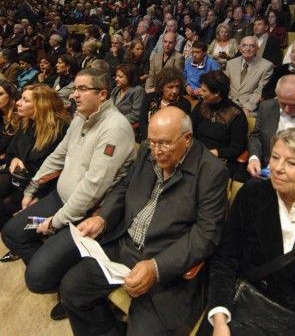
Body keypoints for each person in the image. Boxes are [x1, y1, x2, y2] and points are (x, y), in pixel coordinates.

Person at [12, 107, 228, 334]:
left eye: (164, 143)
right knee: (72, 290)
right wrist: (104, 217)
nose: (156, 151)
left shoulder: (211, 172)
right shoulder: (147, 151)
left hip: (164, 258)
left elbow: (206, 234)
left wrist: (156, 267)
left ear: (187, 139)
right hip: (124, 244)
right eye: (152, 142)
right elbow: (124, 187)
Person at [1, 69, 136, 313]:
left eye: (82, 89)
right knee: (11, 233)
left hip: (84, 213)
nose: (74, 95)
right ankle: (56, 265)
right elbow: (57, 157)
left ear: (102, 94)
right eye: (74, 89)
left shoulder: (115, 128)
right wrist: (31, 189)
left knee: (36, 279)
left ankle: (66, 287)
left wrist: (55, 222)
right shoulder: (80, 118)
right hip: (59, 198)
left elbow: (93, 189)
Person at [207, 127, 295, 336]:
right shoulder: (251, 195)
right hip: (242, 306)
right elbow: (225, 259)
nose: (277, 168)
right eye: (275, 157)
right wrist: (220, 318)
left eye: (291, 163)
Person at [0, 84, 70, 236]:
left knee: (22, 218)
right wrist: (14, 160)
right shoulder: (27, 122)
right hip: (19, 177)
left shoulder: (61, 130)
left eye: (25, 100)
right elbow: (11, 151)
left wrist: (37, 197)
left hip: (45, 188)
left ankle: (25, 235)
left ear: (41, 105)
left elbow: (59, 172)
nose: (18, 102)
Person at [191, 70, 247, 178]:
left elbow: (237, 148)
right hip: (197, 153)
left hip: (220, 159)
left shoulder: (236, 114)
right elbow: (190, 129)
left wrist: (215, 153)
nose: (200, 92)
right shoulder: (202, 105)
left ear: (216, 93)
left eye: (204, 90)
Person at [225, 36, 273, 116]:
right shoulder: (230, 63)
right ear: (240, 48)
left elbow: (259, 91)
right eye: (244, 45)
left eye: (252, 46)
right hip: (229, 103)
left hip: (249, 107)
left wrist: (247, 107)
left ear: (257, 49)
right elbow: (225, 85)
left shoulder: (266, 66)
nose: (248, 49)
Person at [140, 67, 191, 139]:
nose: (175, 91)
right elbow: (143, 122)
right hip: (148, 139)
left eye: (177, 87)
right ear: (161, 87)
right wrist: (149, 140)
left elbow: (180, 131)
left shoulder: (184, 104)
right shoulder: (150, 98)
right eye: (170, 87)